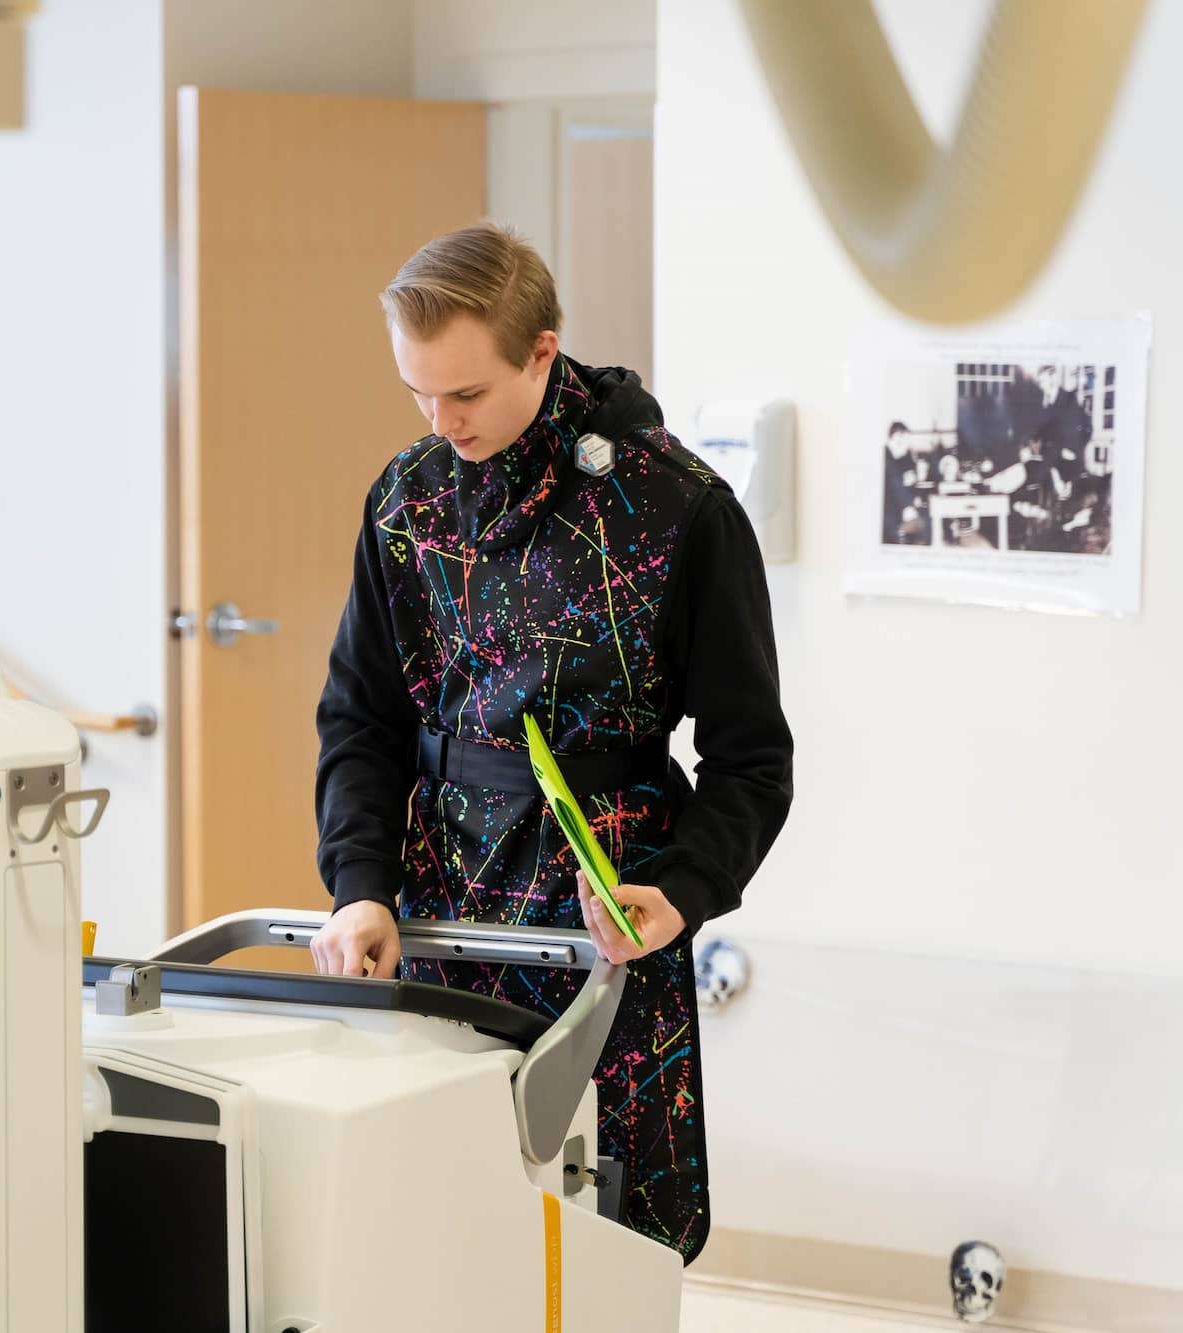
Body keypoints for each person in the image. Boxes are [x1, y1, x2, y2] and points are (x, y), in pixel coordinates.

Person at [312, 224, 794, 1266]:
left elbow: (752, 758)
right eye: (416, 395)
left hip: (606, 918)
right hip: (435, 916)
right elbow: (361, 720)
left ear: (542, 349)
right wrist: (358, 883)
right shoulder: (406, 499)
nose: (441, 424)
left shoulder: (676, 508)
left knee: (605, 1239)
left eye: (466, 395)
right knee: (429, 1233)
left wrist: (683, 888)